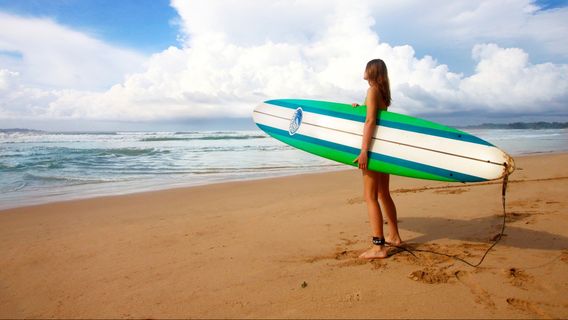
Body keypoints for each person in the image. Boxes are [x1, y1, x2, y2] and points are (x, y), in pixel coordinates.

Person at [352, 59, 402, 259]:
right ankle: (395, 236)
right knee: (384, 194)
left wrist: (364, 151)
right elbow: (373, 115)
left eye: (365, 68)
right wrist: (358, 108)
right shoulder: (382, 94)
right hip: (383, 150)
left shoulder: (372, 91)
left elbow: (371, 120)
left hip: (372, 150)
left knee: (370, 196)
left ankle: (379, 246)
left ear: (371, 71)